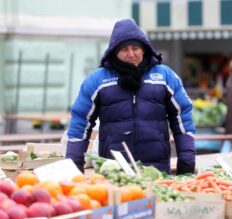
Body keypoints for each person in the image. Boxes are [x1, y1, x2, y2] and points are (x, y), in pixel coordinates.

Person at [65, 19, 196, 175]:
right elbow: (80, 122)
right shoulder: (97, 80)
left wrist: (187, 162)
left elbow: (183, 118)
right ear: (114, 52)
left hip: (156, 171)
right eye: (124, 49)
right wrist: (74, 166)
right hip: (114, 170)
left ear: (144, 49)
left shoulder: (164, 76)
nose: (131, 54)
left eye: (135, 48)